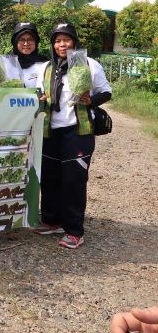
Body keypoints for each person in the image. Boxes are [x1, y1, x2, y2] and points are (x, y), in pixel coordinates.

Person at [32, 22, 112, 249]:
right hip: (50, 131)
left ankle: (74, 230)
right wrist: (39, 99)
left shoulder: (88, 64)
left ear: (74, 41)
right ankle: (51, 220)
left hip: (78, 131)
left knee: (73, 181)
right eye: (57, 40)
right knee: (50, 178)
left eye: (66, 39)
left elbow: (106, 91)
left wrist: (91, 100)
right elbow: (40, 93)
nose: (61, 44)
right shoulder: (47, 67)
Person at [10, 22, 46, 87]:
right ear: (15, 43)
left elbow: (43, 88)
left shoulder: (45, 63)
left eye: (30, 39)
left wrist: (39, 94)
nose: (26, 43)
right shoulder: (6, 63)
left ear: (36, 42)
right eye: (22, 40)